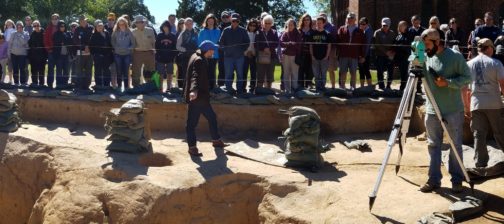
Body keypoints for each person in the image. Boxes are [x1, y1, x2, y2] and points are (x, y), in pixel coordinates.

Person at [419, 28, 471, 194]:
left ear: (437, 42)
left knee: (454, 146)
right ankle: (434, 180)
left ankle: (457, 180)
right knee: (433, 145)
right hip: (432, 109)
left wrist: (448, 82)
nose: (425, 48)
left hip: (452, 110)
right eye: (424, 44)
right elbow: (416, 73)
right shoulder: (425, 56)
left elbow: (467, 77)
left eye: (427, 44)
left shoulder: (455, 57)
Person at [464, 38, 504, 169]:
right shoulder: (496, 63)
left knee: (479, 134)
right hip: (494, 103)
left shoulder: (469, 64)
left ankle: (480, 163)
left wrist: (466, 106)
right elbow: (503, 85)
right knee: (500, 132)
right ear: (489, 48)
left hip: (476, 103)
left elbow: (465, 89)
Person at [184, 40, 227, 157]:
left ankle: (216, 140)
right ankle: (192, 148)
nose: (214, 52)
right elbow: (195, 76)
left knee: (212, 118)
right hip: (197, 98)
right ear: (208, 50)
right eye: (213, 50)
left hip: (202, 98)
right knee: (191, 124)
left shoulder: (196, 55)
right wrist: (193, 91)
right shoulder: (199, 60)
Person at [219, 13, 249, 93]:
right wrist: (226, 50)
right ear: (231, 20)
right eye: (233, 21)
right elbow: (221, 43)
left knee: (240, 75)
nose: (235, 22)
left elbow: (247, 42)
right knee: (228, 75)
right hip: (228, 57)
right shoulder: (226, 30)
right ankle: (228, 91)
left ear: (239, 21)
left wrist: (242, 50)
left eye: (237, 21)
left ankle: (239, 91)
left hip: (239, 57)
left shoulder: (243, 30)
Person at [336, 12, 365, 90]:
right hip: (343, 55)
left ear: (355, 19)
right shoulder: (341, 29)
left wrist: (362, 56)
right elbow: (337, 42)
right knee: (343, 72)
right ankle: (342, 87)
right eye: (348, 18)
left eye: (352, 18)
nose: (350, 19)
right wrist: (338, 53)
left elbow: (362, 45)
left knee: (353, 72)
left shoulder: (360, 31)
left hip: (354, 55)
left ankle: (353, 87)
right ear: (346, 19)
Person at [255, 14, 279, 91]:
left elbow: (276, 43)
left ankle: (268, 90)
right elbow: (256, 43)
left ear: (271, 23)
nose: (267, 25)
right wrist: (263, 48)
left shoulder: (274, 32)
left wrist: (269, 48)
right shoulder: (259, 32)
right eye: (266, 23)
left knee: (270, 74)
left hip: (271, 56)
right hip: (261, 56)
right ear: (263, 23)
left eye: (269, 23)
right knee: (260, 74)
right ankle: (259, 90)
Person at [198, 14, 221, 90]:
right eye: (209, 21)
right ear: (206, 21)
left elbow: (219, 42)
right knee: (204, 71)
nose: (210, 22)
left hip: (214, 54)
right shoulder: (202, 31)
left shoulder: (218, 31)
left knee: (212, 71)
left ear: (214, 21)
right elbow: (199, 43)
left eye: (212, 21)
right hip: (204, 55)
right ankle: (204, 88)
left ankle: (212, 88)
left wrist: (215, 46)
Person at [131, 15, 156, 87]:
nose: (141, 24)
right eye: (138, 22)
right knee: (136, 71)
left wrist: (154, 51)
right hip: (137, 53)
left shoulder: (150, 30)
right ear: (136, 23)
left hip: (149, 52)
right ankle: (136, 86)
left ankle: (151, 85)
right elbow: (132, 44)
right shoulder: (133, 32)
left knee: (151, 70)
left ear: (144, 22)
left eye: (142, 22)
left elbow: (153, 42)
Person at [112, 17, 135, 90]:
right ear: (118, 24)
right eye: (120, 23)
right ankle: (119, 87)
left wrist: (129, 48)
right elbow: (112, 41)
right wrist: (116, 48)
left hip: (127, 55)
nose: (121, 25)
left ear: (125, 23)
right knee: (118, 71)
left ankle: (126, 87)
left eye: (123, 23)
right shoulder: (115, 31)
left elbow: (133, 43)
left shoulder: (129, 31)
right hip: (117, 54)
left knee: (126, 71)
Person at [310, 16, 332, 92]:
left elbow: (329, 46)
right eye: (317, 23)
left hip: (324, 58)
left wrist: (326, 56)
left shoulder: (327, 34)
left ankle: (323, 88)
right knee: (316, 74)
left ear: (323, 24)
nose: (318, 24)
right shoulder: (313, 33)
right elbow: (311, 45)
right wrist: (312, 55)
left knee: (323, 74)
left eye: (320, 23)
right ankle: (317, 88)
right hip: (315, 57)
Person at [280, 18, 302, 94]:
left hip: (295, 56)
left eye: (291, 25)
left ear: (294, 25)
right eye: (288, 25)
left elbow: (298, 45)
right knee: (286, 73)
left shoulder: (298, 33)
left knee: (294, 73)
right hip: (285, 56)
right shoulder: (284, 33)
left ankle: (294, 88)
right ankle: (287, 90)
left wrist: (289, 44)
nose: (290, 26)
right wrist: (290, 43)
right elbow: (281, 43)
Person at [89, 20, 113, 89]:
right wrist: (95, 54)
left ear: (103, 26)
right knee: (97, 70)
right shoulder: (93, 35)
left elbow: (109, 44)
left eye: (101, 26)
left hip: (106, 56)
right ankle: (98, 85)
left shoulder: (107, 33)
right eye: (98, 26)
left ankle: (107, 85)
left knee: (107, 70)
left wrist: (109, 53)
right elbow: (91, 46)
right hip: (97, 56)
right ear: (96, 27)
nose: (100, 27)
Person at [73, 15, 94, 90]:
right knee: (79, 70)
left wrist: (88, 46)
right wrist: (84, 46)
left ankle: (87, 86)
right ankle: (79, 86)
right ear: (80, 22)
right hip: (80, 52)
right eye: (81, 21)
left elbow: (93, 38)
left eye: (84, 20)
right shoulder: (77, 29)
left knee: (88, 69)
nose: (83, 22)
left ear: (86, 20)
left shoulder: (91, 28)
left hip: (90, 52)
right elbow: (75, 40)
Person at [374, 17, 396, 89]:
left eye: (386, 25)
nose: (385, 27)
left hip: (390, 56)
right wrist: (386, 52)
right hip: (380, 55)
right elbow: (377, 44)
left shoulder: (392, 33)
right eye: (383, 25)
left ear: (389, 25)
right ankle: (381, 86)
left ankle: (388, 86)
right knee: (380, 71)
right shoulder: (377, 33)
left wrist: (392, 52)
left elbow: (394, 44)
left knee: (390, 71)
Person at [176, 17, 198, 88]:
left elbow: (198, 44)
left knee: (194, 74)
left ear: (192, 24)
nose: (189, 25)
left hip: (195, 57)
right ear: (185, 24)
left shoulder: (196, 33)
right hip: (185, 57)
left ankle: (193, 89)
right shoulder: (182, 34)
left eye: (190, 23)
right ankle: (185, 90)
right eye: (187, 23)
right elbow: (178, 46)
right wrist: (185, 50)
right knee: (185, 74)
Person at [155, 20, 177, 90]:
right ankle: (160, 87)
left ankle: (168, 87)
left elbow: (175, 47)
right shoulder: (159, 35)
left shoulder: (173, 36)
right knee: (160, 73)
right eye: (164, 26)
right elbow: (156, 46)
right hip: (160, 58)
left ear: (169, 27)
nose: (165, 28)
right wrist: (158, 56)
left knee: (170, 73)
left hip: (170, 58)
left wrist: (173, 56)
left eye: (166, 26)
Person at [53, 21, 73, 89]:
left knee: (66, 70)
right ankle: (59, 84)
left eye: (64, 26)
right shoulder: (55, 34)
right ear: (59, 27)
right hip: (59, 55)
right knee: (59, 70)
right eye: (61, 26)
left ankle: (65, 83)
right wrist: (62, 42)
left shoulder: (68, 33)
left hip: (66, 55)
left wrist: (63, 42)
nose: (63, 27)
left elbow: (69, 42)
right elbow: (56, 43)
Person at [9, 21, 30, 86]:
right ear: (16, 27)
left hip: (22, 54)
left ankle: (23, 83)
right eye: (18, 26)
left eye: (20, 26)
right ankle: (16, 82)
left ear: (22, 27)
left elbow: (25, 43)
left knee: (22, 68)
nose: (19, 28)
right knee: (15, 68)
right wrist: (9, 53)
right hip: (13, 54)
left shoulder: (26, 33)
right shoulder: (13, 34)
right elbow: (10, 44)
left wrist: (20, 36)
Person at [28, 20, 47, 87]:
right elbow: (29, 44)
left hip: (42, 55)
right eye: (34, 26)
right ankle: (34, 83)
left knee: (41, 70)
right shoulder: (32, 34)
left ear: (40, 25)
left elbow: (46, 44)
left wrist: (46, 55)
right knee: (33, 70)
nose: (36, 27)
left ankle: (41, 83)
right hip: (33, 56)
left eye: (37, 25)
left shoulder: (44, 33)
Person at [298, 14, 315, 88]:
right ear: (302, 21)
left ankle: (309, 85)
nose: (306, 21)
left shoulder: (313, 31)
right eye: (305, 20)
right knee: (300, 70)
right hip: (300, 54)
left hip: (309, 54)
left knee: (309, 71)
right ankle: (300, 86)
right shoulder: (298, 30)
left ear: (310, 21)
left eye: (308, 19)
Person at [45, 14, 61, 88]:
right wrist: (49, 49)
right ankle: (50, 85)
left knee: (59, 69)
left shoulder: (61, 27)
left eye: (56, 19)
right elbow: (45, 40)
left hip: (59, 52)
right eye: (53, 19)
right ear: (51, 20)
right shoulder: (48, 28)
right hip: (51, 52)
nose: (54, 20)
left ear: (58, 19)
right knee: (50, 69)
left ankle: (58, 84)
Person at [393, 21, 410, 91]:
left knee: (405, 74)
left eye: (402, 25)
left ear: (406, 26)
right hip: (399, 58)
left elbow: (408, 46)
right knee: (402, 74)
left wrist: (399, 46)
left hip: (405, 58)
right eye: (399, 26)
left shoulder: (408, 35)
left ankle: (403, 88)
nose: (400, 27)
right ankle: (402, 87)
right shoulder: (399, 35)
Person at [243, 19, 258, 93]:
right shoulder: (244, 33)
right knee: (244, 72)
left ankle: (252, 88)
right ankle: (243, 88)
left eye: (254, 25)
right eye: (251, 25)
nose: (252, 27)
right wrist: (246, 52)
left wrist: (253, 53)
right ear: (248, 25)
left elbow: (257, 45)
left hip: (253, 56)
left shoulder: (257, 34)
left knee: (253, 73)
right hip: (245, 55)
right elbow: (242, 44)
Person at [217, 11, 231, 87]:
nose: (225, 18)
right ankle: (220, 86)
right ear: (221, 18)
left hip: (230, 52)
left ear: (229, 17)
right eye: (223, 17)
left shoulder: (233, 26)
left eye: (227, 17)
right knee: (221, 68)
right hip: (221, 51)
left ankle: (229, 86)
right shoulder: (218, 27)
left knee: (230, 69)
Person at [358, 17, 373, 87]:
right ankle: (362, 87)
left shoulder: (368, 31)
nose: (362, 25)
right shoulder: (362, 30)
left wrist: (363, 57)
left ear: (367, 24)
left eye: (363, 24)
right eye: (360, 24)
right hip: (361, 54)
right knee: (361, 70)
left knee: (366, 70)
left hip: (366, 55)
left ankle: (369, 86)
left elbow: (367, 45)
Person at [105, 13, 118, 88]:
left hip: (115, 52)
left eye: (112, 19)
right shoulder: (104, 27)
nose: (111, 21)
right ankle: (107, 86)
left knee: (114, 70)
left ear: (115, 20)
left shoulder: (117, 28)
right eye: (109, 19)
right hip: (106, 52)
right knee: (106, 70)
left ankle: (114, 85)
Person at [4, 19, 16, 84]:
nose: (9, 25)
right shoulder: (5, 31)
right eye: (7, 24)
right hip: (6, 50)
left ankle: (15, 80)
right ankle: (10, 80)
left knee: (14, 65)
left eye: (10, 23)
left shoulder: (15, 31)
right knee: (9, 66)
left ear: (12, 24)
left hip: (13, 50)